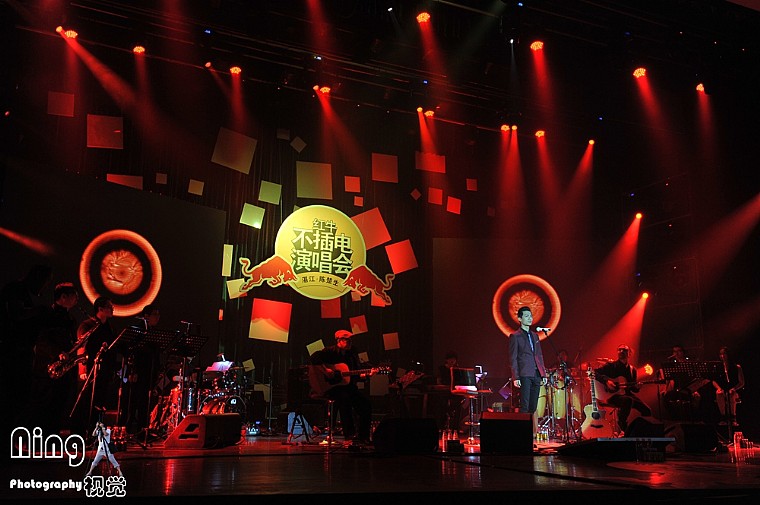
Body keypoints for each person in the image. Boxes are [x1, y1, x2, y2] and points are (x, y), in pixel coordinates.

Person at [25, 282, 81, 436]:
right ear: (63, 297)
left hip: (64, 369)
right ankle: (41, 437)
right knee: (46, 405)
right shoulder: (48, 316)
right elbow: (42, 340)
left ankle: (52, 436)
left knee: (60, 404)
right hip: (48, 368)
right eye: (74, 295)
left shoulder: (70, 318)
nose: (77, 299)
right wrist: (58, 353)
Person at [308, 329, 376, 445]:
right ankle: (349, 435)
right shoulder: (330, 351)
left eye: (350, 340)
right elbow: (314, 357)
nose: (349, 342)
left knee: (366, 405)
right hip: (332, 388)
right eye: (346, 340)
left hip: (349, 387)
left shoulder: (352, 354)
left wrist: (366, 375)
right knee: (345, 400)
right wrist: (325, 370)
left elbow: (355, 374)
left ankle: (363, 437)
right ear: (339, 340)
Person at [72, 296, 119, 436]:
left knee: (99, 402)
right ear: (100, 309)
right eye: (109, 306)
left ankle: (94, 431)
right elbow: (81, 347)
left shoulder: (109, 327)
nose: (112, 309)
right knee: (85, 401)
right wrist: (82, 369)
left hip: (104, 370)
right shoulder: (87, 325)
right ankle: (80, 432)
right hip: (89, 369)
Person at [594, 344, 652, 435]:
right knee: (628, 400)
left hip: (626, 395)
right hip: (612, 396)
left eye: (624, 350)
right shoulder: (611, 366)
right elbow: (594, 373)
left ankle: (641, 432)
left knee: (647, 410)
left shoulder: (632, 370)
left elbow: (633, 389)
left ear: (629, 354)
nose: (621, 351)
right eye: (619, 350)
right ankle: (622, 424)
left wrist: (637, 387)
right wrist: (607, 381)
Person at [508, 306, 548, 435]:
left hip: (536, 373)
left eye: (531, 316)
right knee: (524, 406)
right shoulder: (515, 336)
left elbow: (539, 355)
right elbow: (513, 358)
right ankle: (522, 434)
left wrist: (543, 374)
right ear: (520, 319)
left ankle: (530, 434)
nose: (530, 318)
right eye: (526, 316)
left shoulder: (535, 336)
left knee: (533, 406)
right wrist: (516, 377)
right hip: (524, 374)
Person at [712, 346, 745, 426]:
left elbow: (742, 382)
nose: (722, 356)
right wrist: (719, 388)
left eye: (724, 354)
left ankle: (733, 418)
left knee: (731, 394)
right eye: (721, 354)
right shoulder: (718, 367)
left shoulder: (737, 367)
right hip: (723, 389)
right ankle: (723, 417)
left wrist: (734, 388)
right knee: (719, 394)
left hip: (734, 390)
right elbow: (713, 381)